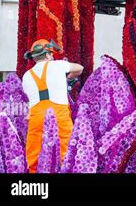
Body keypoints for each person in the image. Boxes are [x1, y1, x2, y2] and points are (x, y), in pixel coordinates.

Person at [22, 39, 83, 173]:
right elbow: (79, 69)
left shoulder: (27, 76)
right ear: (49, 54)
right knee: (65, 152)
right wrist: (67, 79)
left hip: (36, 117)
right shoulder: (58, 65)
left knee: (34, 154)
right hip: (59, 116)